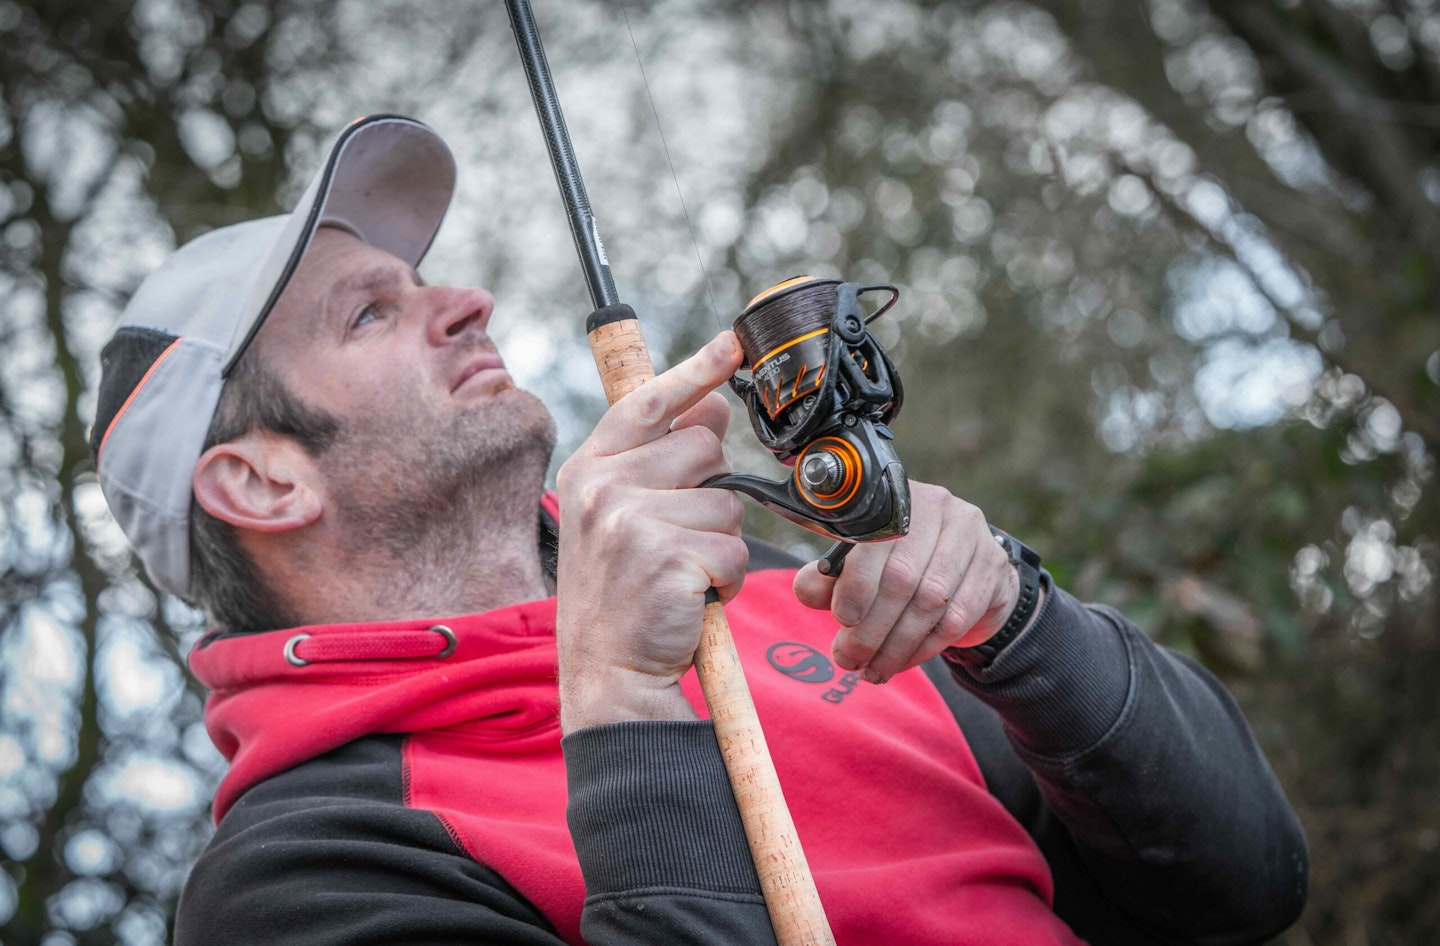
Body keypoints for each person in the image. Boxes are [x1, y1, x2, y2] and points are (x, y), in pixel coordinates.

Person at [92, 115, 1307, 945]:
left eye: (427, 284)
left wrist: (1025, 627)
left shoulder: (785, 593)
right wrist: (623, 698)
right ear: (259, 483)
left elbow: (1246, 887)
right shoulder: (299, 873)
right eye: (370, 315)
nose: (467, 303)